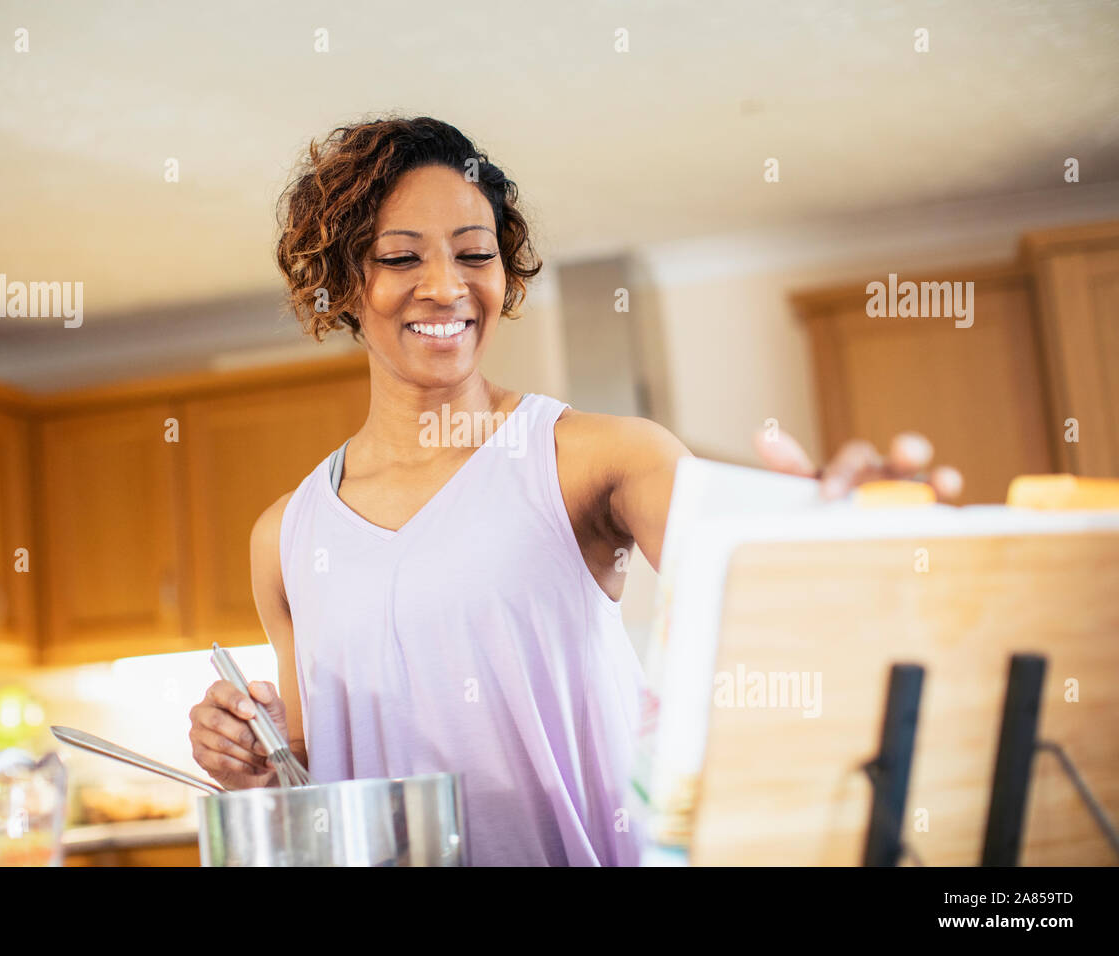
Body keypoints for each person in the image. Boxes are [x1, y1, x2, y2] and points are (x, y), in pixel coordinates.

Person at [187, 116, 962, 866]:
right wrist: (252, 768)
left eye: (474, 253)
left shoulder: (596, 459)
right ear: (344, 284)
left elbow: (765, 601)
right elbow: (313, 776)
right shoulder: (286, 536)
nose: (445, 286)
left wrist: (831, 534)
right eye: (400, 258)